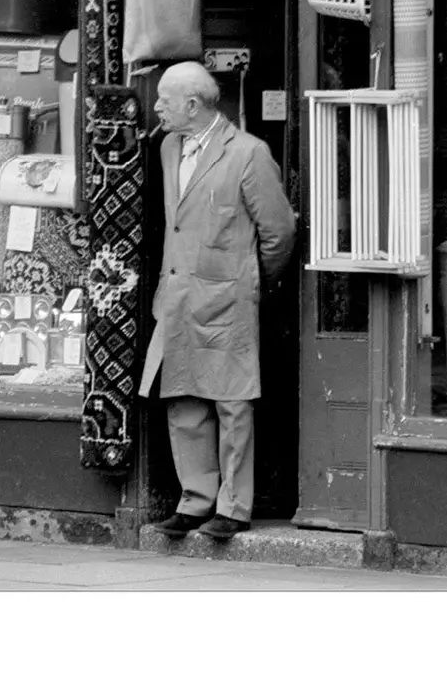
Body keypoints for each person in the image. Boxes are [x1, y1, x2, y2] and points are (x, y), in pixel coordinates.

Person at [138, 62, 296, 541]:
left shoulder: (248, 153)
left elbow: (279, 231)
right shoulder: (167, 146)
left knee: (232, 405)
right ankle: (195, 501)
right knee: (183, 400)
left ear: (192, 105)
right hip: (179, 294)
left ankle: (233, 506)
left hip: (228, 298)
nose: (157, 106)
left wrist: (250, 281)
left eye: (165, 99)